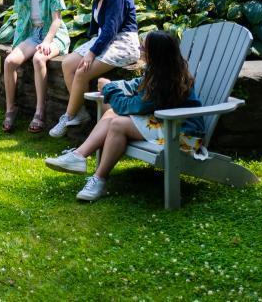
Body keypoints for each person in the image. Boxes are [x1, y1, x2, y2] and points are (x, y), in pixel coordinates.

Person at [44, 30, 206, 201]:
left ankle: (98, 179)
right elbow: (135, 85)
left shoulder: (166, 81)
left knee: (118, 123)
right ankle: (78, 156)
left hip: (182, 134)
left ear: (156, 54)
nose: (140, 49)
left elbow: (128, 106)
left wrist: (108, 88)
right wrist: (115, 84)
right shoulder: (160, 70)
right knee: (111, 113)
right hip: (165, 123)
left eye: (144, 49)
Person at [48, 0, 140, 138]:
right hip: (105, 39)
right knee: (67, 64)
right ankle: (80, 112)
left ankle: (68, 116)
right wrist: (89, 48)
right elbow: (98, 30)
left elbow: (111, 30)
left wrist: (91, 54)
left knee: (82, 70)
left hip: (122, 42)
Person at [2, 0, 70, 133]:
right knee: (9, 62)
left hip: (53, 35)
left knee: (39, 59)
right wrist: (17, 44)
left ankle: (40, 111)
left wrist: (47, 41)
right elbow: (21, 22)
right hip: (33, 35)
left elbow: (57, 21)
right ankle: (10, 109)